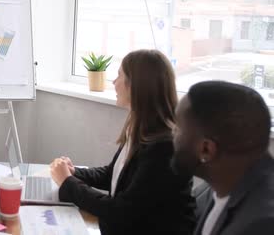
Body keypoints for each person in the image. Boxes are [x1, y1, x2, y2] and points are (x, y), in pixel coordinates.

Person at [49, 49, 196, 235]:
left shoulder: (164, 148)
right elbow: (113, 174)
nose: (114, 82)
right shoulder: (140, 127)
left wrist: (68, 182)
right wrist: (75, 172)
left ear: (136, 86)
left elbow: (121, 211)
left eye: (119, 76)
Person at [171, 81, 274, 235]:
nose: (171, 135)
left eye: (177, 128)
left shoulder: (258, 224)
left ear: (206, 150)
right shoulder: (219, 187)